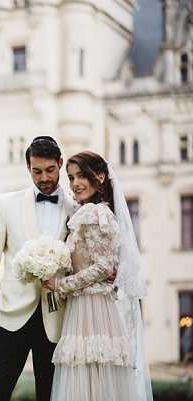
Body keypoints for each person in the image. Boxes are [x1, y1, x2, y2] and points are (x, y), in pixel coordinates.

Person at [43, 151, 153, 401]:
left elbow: (103, 267)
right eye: (71, 177)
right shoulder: (91, 212)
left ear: (100, 177)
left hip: (92, 308)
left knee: (90, 374)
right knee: (90, 377)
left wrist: (61, 284)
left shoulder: (95, 213)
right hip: (86, 306)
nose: (75, 183)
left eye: (81, 175)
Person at [0, 136, 77, 401]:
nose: (44, 178)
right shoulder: (6, 204)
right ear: (28, 168)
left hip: (58, 320)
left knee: (51, 396)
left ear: (60, 164)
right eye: (37, 171)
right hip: (9, 316)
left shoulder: (76, 209)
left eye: (50, 170)